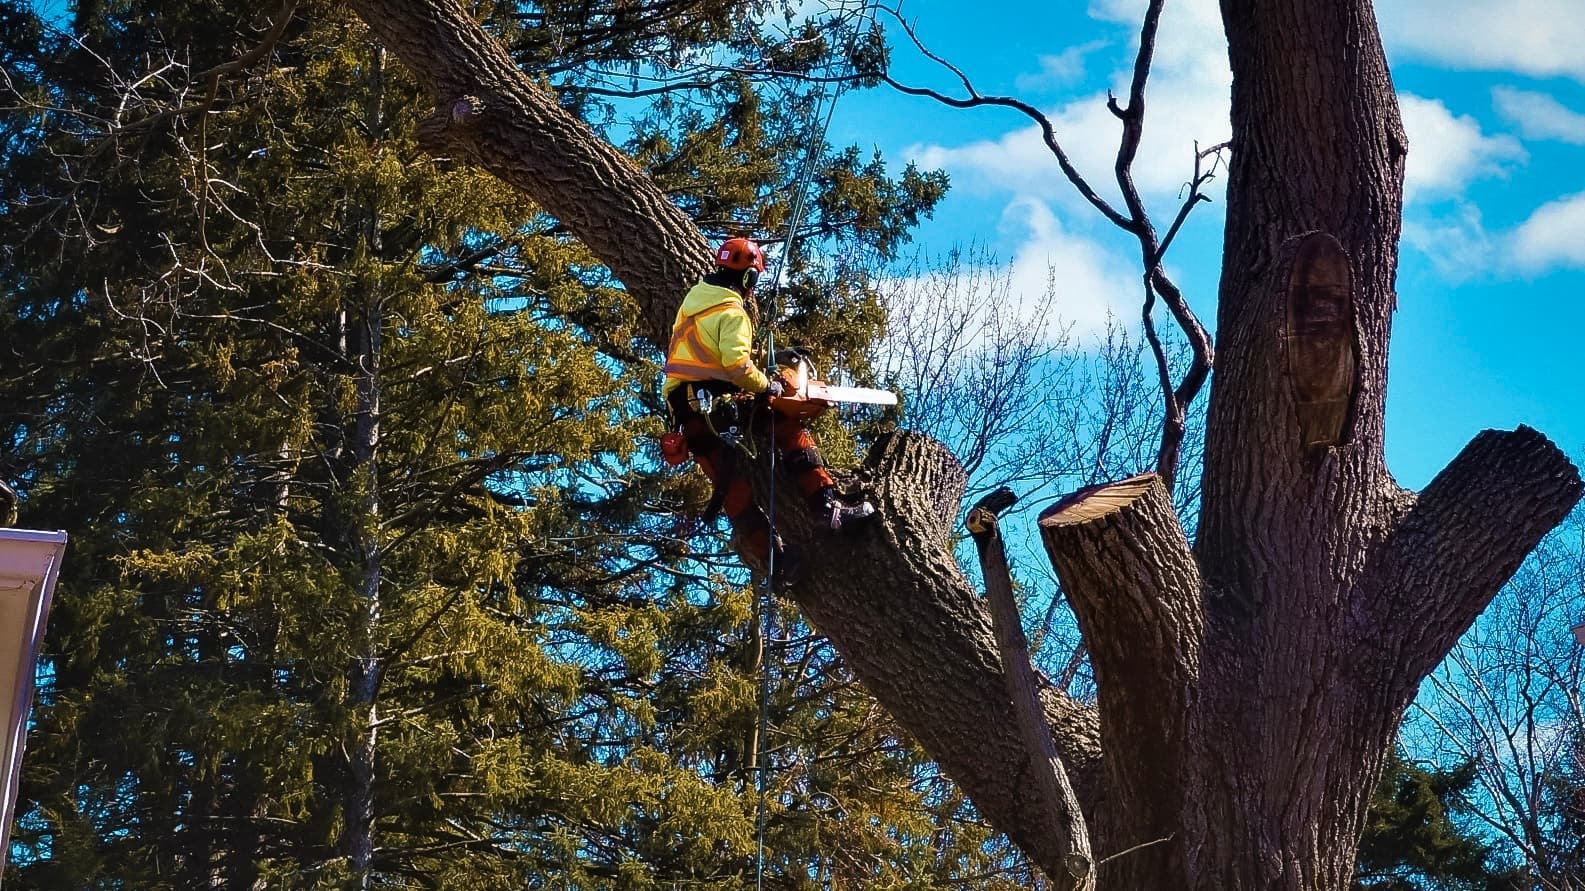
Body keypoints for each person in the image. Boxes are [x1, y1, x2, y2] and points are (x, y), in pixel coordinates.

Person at [663, 237, 876, 583]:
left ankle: (776, 562)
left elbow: (711, 355)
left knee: (731, 487)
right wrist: (768, 385)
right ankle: (827, 506)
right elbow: (734, 364)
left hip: (686, 410)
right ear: (748, 278)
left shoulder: (695, 301)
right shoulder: (732, 313)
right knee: (790, 429)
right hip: (718, 402)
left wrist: (765, 361)